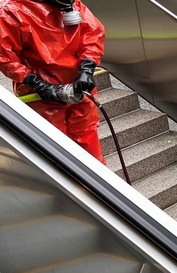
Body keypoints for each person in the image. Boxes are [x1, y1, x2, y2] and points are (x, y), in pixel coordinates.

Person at [0, 0, 106, 163]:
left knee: (89, 145)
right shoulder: (12, 11)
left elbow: (91, 33)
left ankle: (98, 184)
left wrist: (87, 67)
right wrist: (37, 84)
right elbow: (5, 57)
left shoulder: (70, 3)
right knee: (54, 152)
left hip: (79, 91)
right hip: (41, 97)